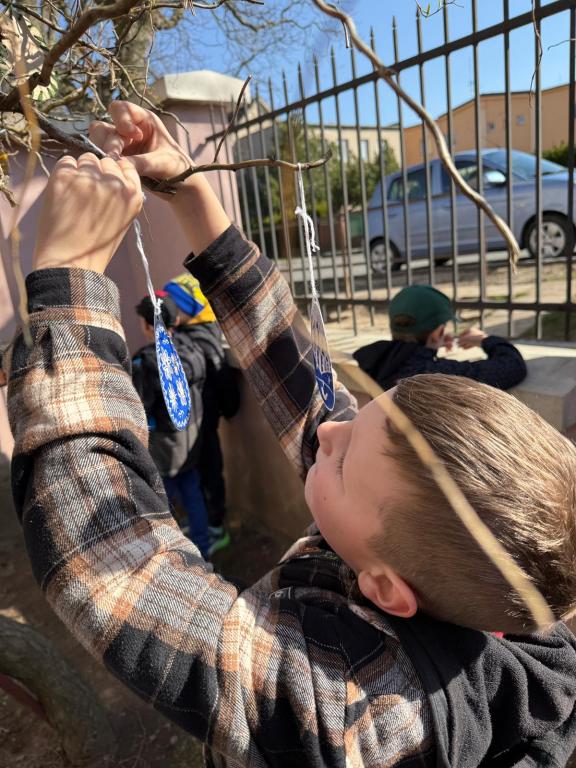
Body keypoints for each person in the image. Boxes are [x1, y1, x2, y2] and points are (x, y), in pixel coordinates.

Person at [5, 102, 576, 767]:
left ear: (387, 591)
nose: (329, 432)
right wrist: (194, 197)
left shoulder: (346, 715)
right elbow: (303, 383)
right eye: (361, 420)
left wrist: (69, 276)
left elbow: (114, 560)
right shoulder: (442, 562)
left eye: (344, 458)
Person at [162, 272, 240, 555]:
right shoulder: (185, 335)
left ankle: (216, 527)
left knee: (210, 473)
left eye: (174, 304)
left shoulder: (204, 340)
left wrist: (229, 408)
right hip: (193, 422)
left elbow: (223, 379)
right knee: (197, 474)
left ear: (187, 308)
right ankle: (204, 521)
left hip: (204, 423)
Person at [132, 291, 210, 559]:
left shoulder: (145, 362)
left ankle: (177, 555)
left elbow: (141, 406)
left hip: (163, 447)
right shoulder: (193, 349)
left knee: (165, 501)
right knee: (193, 491)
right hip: (193, 439)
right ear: (176, 320)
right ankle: (203, 548)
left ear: (147, 325)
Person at [354, 284, 527, 391]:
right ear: (438, 332)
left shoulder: (375, 360)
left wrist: (429, 348)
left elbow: (408, 357)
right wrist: (484, 339)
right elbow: (513, 367)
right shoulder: (436, 374)